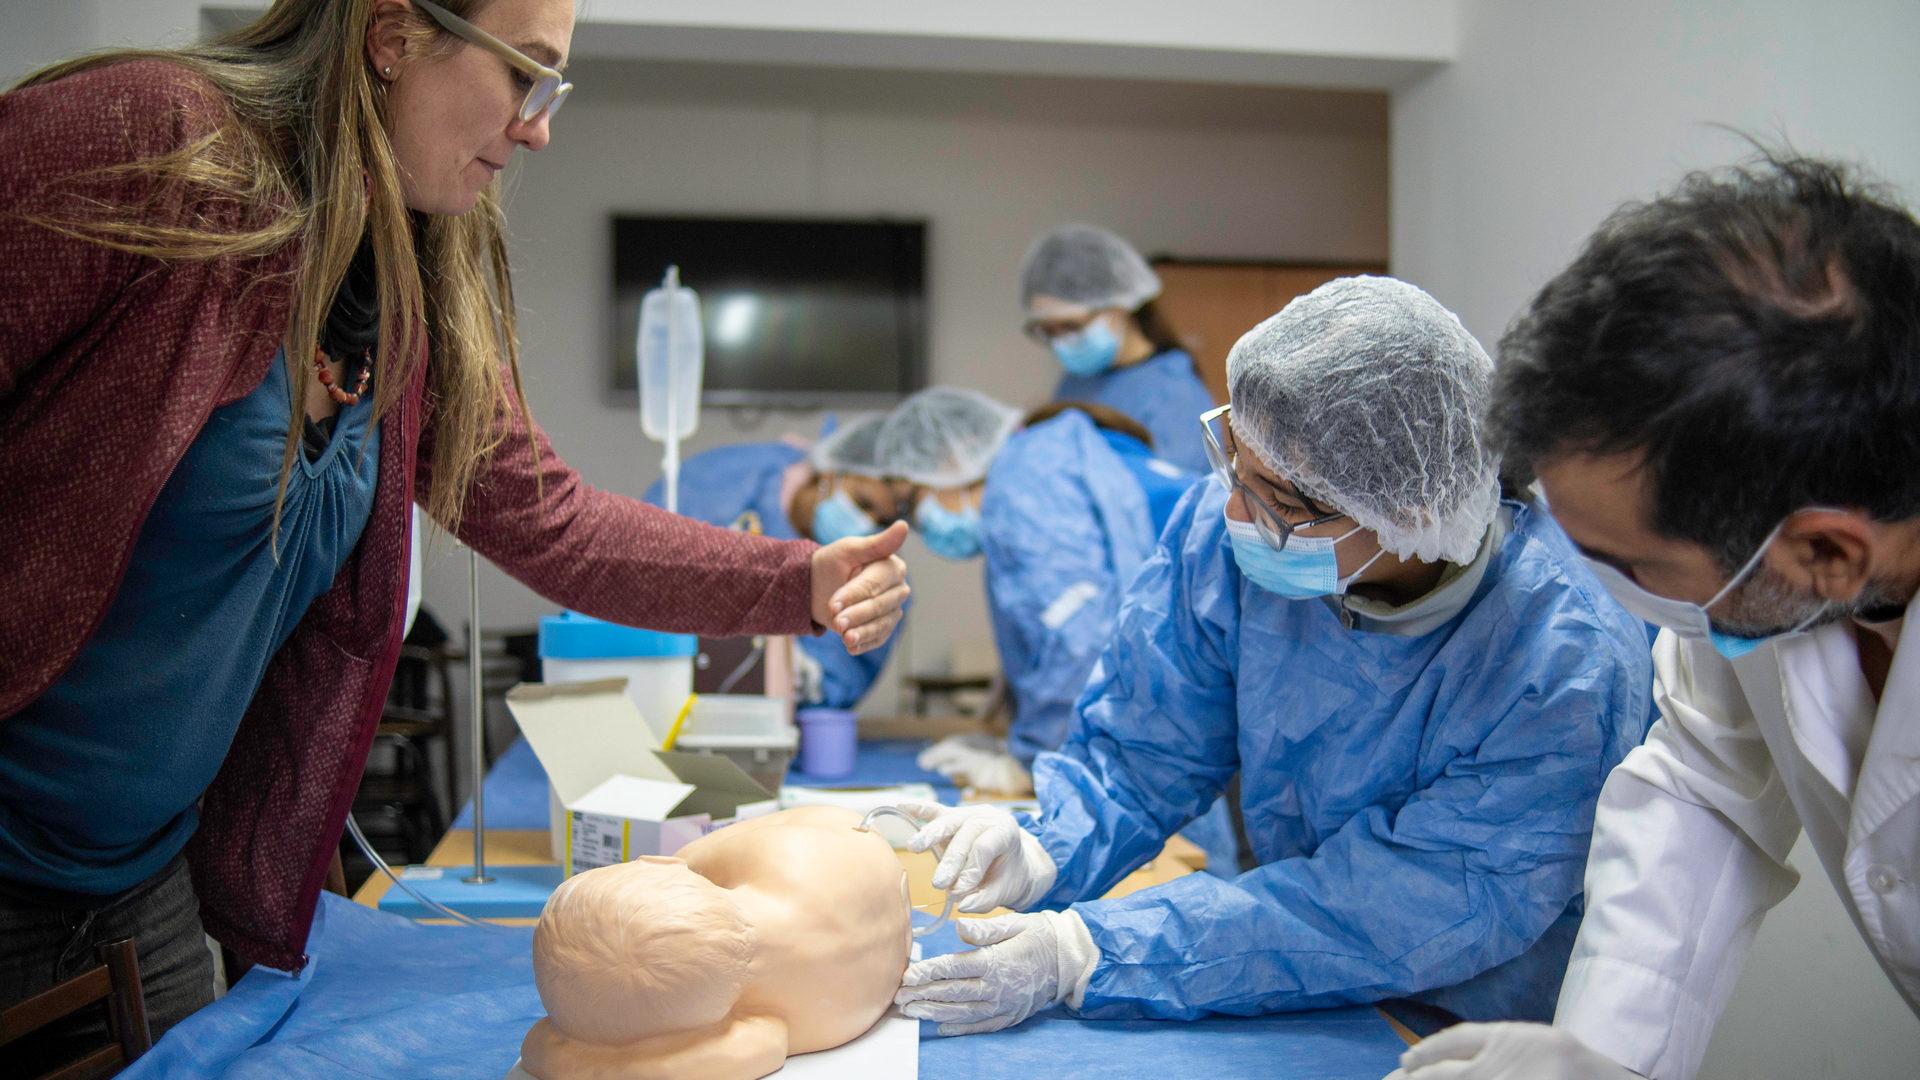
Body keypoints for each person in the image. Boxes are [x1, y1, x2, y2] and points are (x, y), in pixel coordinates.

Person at [0, 0, 907, 1065]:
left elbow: (552, 522)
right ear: (393, 34)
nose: (539, 127)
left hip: (137, 880)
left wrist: (799, 580)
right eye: (527, 73)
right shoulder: (141, 140)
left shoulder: (402, 291)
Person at [890, 276, 1656, 1036]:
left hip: (1468, 1019)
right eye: (1235, 462)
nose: (1233, 511)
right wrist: (1045, 846)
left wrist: (1091, 950)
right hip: (1287, 976)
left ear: (1411, 514)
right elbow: (1144, 751)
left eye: (1281, 502)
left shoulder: (1561, 664)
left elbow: (1406, 905)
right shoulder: (1232, 530)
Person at [1387, 156, 1920, 1080]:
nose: (1609, 597)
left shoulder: (1767, 562)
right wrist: (1602, 1059)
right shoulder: (1769, 576)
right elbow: (1701, 787)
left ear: (1829, 554)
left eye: (1634, 567)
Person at [877, 388, 1201, 796]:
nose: (919, 524)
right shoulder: (1052, 454)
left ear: (953, 459)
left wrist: (1033, 763)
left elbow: (1079, 639)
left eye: (910, 503)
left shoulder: (1021, 480)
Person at [643, 414, 913, 709]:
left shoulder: (873, 575)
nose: (865, 523)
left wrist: (796, 673)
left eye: (881, 521)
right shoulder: (727, 484)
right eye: (863, 503)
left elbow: (843, 678)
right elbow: (643, 574)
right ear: (829, 474)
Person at [1019, 223, 1216, 473]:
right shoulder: (1078, 379)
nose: (1061, 341)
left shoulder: (1174, 395)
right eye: (1048, 330)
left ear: (1119, 308)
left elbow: (1172, 490)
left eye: (1070, 326)